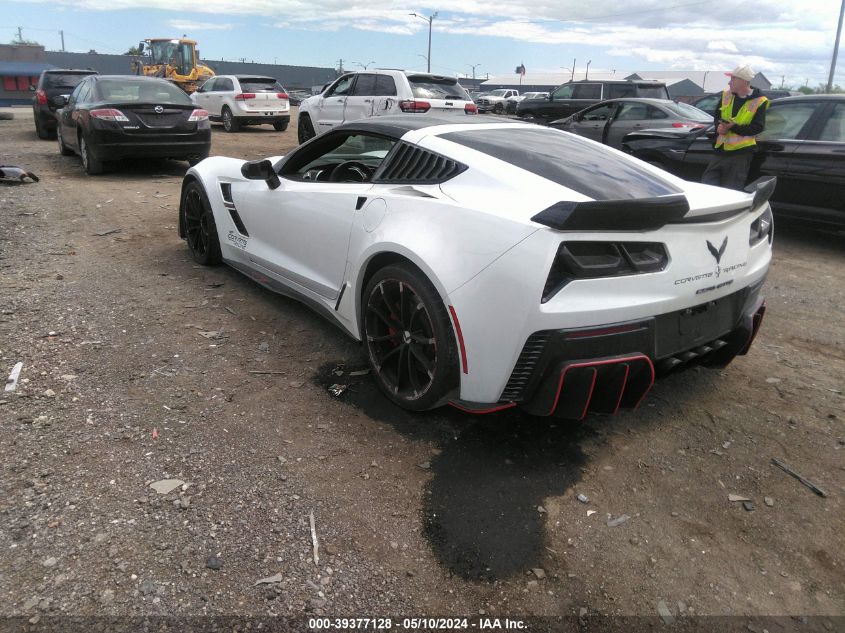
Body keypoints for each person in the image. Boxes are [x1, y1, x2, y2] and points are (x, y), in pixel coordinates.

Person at [701, 64, 769, 190]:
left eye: (733, 79)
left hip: (740, 154)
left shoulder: (760, 101)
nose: (729, 82)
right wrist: (718, 127)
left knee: (731, 190)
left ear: (743, 81)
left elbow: (757, 128)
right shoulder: (726, 95)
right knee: (707, 185)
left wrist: (732, 127)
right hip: (720, 151)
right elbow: (717, 117)